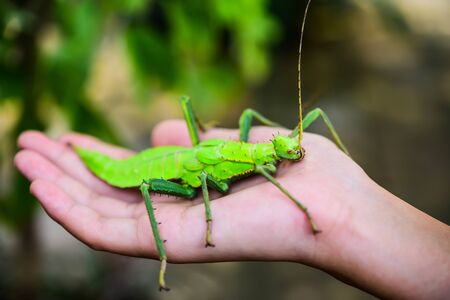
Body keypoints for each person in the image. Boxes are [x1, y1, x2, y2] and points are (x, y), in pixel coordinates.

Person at [14, 120, 450, 299]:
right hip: (156, 169)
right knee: (152, 181)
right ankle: (164, 253)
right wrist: (204, 220)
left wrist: (339, 209)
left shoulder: (261, 154)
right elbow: (208, 179)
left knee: (204, 172)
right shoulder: (241, 160)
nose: (284, 157)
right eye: (281, 150)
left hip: (185, 157)